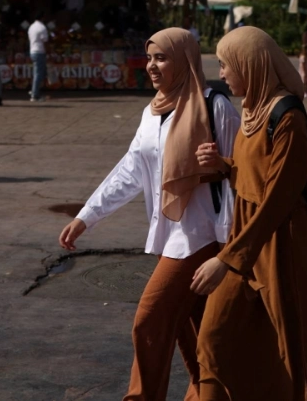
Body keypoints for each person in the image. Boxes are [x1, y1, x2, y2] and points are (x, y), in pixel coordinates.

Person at [59, 28, 239, 401]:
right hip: (167, 234)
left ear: (185, 60)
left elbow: (245, 172)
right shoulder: (152, 110)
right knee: (193, 330)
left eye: (162, 57)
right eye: (150, 57)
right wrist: (87, 215)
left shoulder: (213, 105)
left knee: (150, 320)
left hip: (202, 236)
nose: (152, 66)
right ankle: (206, 395)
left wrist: (233, 246)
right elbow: (131, 169)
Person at [192, 26, 307, 400]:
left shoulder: (288, 119)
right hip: (246, 240)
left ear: (251, 65)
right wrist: (225, 166)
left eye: (227, 65)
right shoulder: (253, 108)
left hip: (282, 246)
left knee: (295, 349)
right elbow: (257, 171)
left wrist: (225, 261)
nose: (222, 73)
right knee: (213, 336)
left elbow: (277, 199)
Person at [28, 12, 49, 102]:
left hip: (32, 51)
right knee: (38, 74)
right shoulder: (42, 27)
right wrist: (48, 52)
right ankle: (34, 95)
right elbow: (45, 41)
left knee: (38, 73)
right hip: (39, 51)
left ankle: (34, 90)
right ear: (42, 17)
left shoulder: (31, 27)